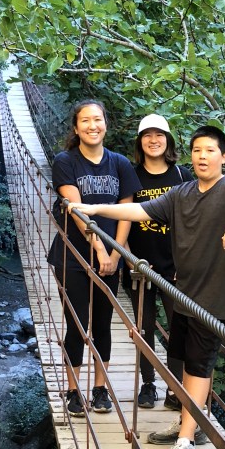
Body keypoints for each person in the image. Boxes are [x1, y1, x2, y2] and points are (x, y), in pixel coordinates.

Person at [70, 124, 225, 449]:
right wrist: (95, 211)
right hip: (183, 292)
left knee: (199, 366)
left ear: (223, 156)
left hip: (212, 297)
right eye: (197, 150)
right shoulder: (181, 192)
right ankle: (190, 421)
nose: (202, 156)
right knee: (187, 362)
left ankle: (186, 442)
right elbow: (140, 211)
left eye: (210, 151)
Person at [48, 99, 140, 417]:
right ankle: (74, 391)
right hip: (73, 255)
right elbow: (76, 211)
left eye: (97, 119)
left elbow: (127, 212)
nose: (92, 125)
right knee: (76, 324)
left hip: (110, 259)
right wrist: (101, 250)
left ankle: (100, 389)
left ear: (105, 124)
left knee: (103, 323)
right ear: (76, 128)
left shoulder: (120, 164)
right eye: (85, 120)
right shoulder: (66, 161)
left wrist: (116, 253)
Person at [126, 114, 193, 411]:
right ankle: (148, 384)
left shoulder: (182, 176)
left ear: (168, 140)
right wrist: (129, 259)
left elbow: (193, 222)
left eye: (159, 135)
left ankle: (175, 389)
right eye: (147, 135)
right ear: (140, 142)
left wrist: (186, 262)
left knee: (178, 329)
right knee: (144, 328)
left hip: (175, 269)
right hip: (140, 267)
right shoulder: (130, 176)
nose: (154, 140)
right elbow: (123, 220)